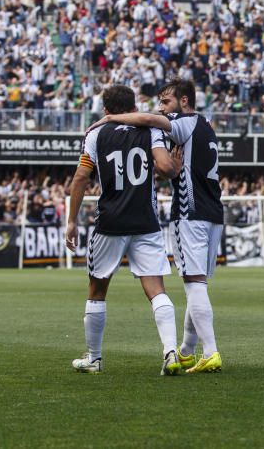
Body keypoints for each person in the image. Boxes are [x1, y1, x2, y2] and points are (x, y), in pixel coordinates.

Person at [87, 79, 226, 374]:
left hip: (190, 211)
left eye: (166, 102)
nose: (161, 109)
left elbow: (150, 120)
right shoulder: (205, 125)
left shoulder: (183, 121)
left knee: (194, 284)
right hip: (214, 211)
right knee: (197, 284)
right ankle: (187, 350)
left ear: (184, 101)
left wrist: (111, 118)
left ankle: (211, 351)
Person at [65, 85, 182, 375]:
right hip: (145, 220)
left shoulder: (95, 134)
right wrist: (174, 167)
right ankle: (170, 352)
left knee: (97, 289)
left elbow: (81, 178)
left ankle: (94, 358)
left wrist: (71, 220)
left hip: (111, 222)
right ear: (134, 106)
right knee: (155, 289)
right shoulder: (151, 130)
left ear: (105, 110)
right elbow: (166, 168)